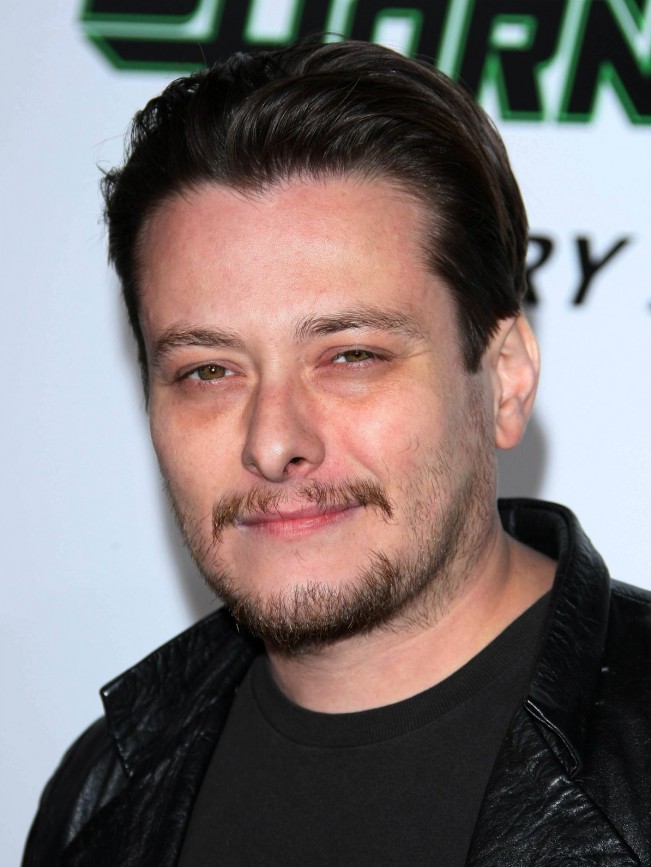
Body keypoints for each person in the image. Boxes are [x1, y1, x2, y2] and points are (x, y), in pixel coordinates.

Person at [23, 36, 651, 867]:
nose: (273, 441)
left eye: (350, 356)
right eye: (208, 370)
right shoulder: (101, 796)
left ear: (503, 379)